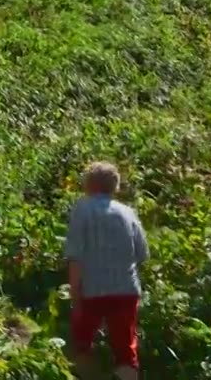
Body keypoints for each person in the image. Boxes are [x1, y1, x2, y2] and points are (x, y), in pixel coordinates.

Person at [64, 161, 149, 380]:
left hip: (92, 289)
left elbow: (75, 257)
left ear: (89, 184)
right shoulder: (128, 213)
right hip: (125, 289)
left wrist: (75, 298)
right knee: (125, 349)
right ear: (115, 186)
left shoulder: (82, 209)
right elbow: (142, 254)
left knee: (82, 343)